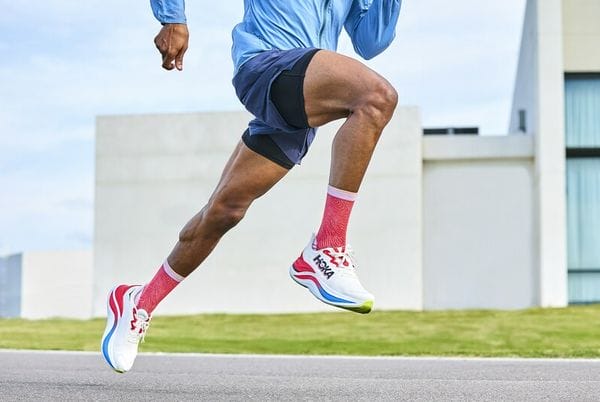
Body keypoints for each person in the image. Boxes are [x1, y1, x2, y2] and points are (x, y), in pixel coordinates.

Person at [101, 0, 402, 373]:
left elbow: (370, 41)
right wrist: (172, 18)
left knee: (224, 212)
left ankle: (138, 302)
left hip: (301, 104)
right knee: (377, 98)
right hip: (267, 66)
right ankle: (327, 246)